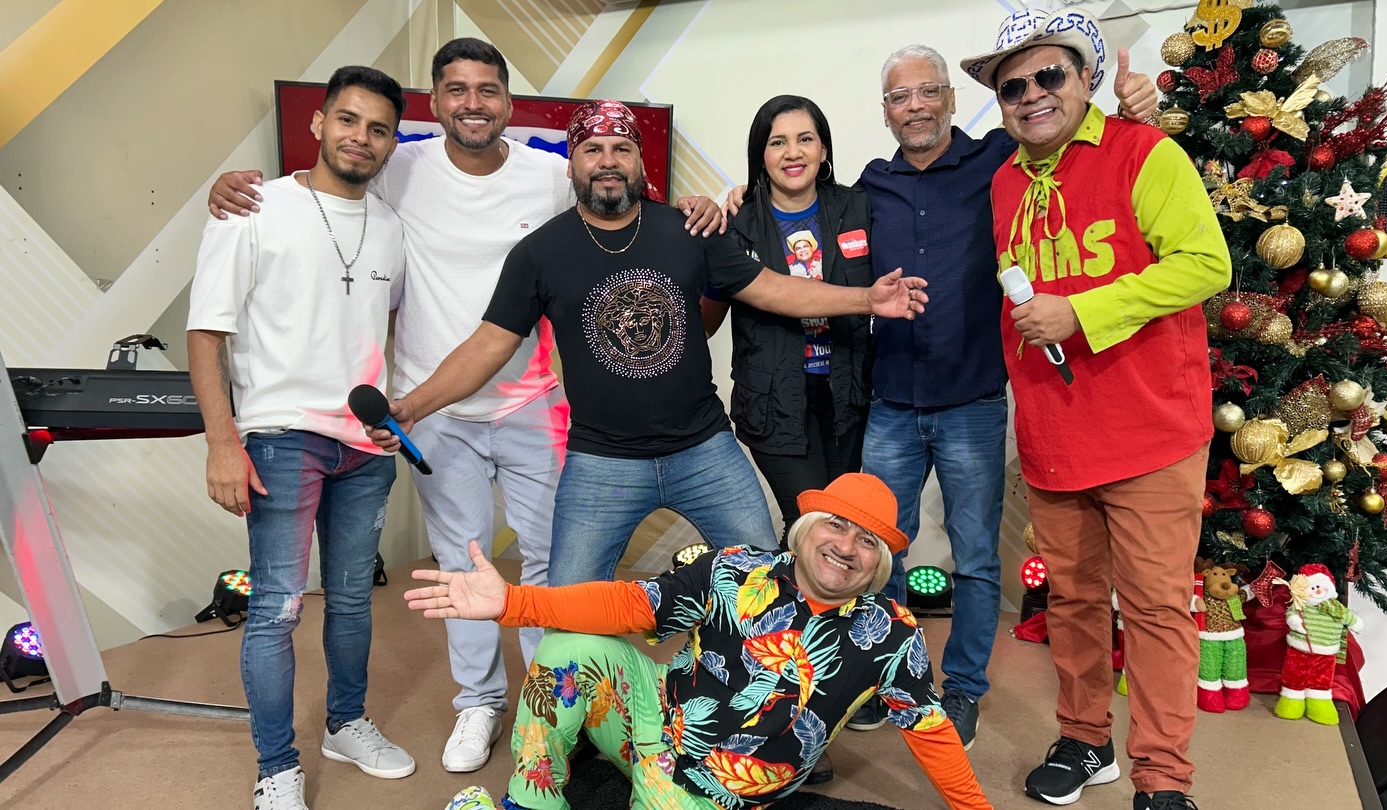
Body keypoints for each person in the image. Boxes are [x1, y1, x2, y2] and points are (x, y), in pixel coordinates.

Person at [206, 39, 724, 775]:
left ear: (508, 103)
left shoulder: (549, 174)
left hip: (533, 401)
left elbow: (621, 203)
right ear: (436, 101)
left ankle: (554, 703)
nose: (472, 103)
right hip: (434, 410)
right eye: (456, 89)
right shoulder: (399, 168)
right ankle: (479, 702)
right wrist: (233, 187)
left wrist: (695, 206)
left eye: (487, 90)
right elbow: (321, 188)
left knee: (552, 567)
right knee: (462, 563)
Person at [369, 100, 928, 598]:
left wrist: (866, 299)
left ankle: (759, 682)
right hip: (600, 460)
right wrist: (413, 406)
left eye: (622, 148)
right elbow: (489, 344)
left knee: (764, 586)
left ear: (641, 162)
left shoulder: (691, 231)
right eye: (592, 149)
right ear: (571, 164)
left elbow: (772, 288)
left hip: (704, 450)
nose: (608, 161)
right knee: (568, 602)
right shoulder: (539, 253)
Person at [843, 36, 1157, 747]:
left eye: (928, 91)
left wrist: (1136, 112)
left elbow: (1070, 141)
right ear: (886, 111)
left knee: (978, 560)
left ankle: (962, 690)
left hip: (973, 400)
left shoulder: (999, 159)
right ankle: (888, 677)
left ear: (952, 100)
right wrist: (735, 195)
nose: (915, 106)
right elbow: (797, 210)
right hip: (891, 402)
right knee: (876, 551)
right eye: (900, 97)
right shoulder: (868, 185)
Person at [960, 8, 1230, 809]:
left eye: (1049, 76)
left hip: (1151, 430)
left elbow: (1205, 264)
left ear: (1086, 78)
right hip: (1055, 431)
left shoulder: (1146, 153)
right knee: (1072, 603)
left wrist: (1082, 312)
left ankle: (1163, 776)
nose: (1032, 96)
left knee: (1154, 609)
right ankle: (1084, 739)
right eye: (1013, 87)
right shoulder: (1005, 181)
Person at [405, 473, 993, 810]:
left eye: (867, 541)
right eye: (836, 525)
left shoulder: (892, 633)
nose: (846, 546)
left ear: (880, 563)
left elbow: (931, 731)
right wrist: (514, 603)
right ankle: (532, 804)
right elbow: (631, 605)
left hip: (719, 790)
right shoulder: (733, 567)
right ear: (807, 530)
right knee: (567, 650)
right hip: (653, 721)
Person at [187, 66, 414, 810]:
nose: (361, 138)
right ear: (317, 123)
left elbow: (379, 328)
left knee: (352, 601)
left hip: (364, 448)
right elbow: (206, 333)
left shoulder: (390, 226)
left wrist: (388, 415)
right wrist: (222, 443)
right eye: (347, 120)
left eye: (378, 128)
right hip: (281, 440)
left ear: (391, 142)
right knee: (277, 609)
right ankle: (277, 767)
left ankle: (345, 723)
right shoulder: (252, 208)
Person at [701, 95, 872, 546]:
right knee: (812, 521)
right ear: (761, 153)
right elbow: (706, 321)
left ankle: (794, 591)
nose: (792, 153)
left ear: (824, 149)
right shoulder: (736, 223)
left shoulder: (859, 207)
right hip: (774, 404)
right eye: (777, 142)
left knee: (839, 522)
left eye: (805, 139)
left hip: (848, 398)